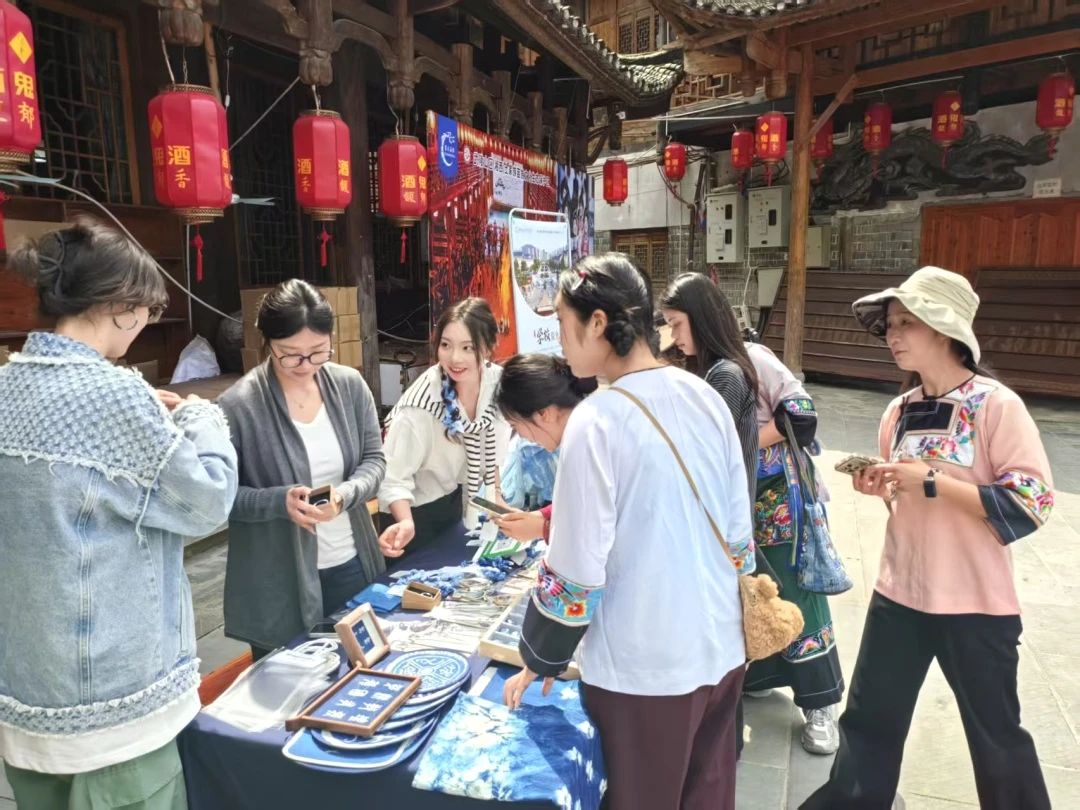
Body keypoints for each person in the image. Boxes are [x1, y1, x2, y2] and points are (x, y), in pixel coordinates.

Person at [0, 219, 238, 809]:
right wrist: (199, 418)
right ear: (120, 305)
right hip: (115, 701)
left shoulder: (5, 385)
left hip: (25, 687)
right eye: (149, 311)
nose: (146, 322)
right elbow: (207, 500)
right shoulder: (117, 395)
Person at [501, 253, 753, 810]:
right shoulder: (704, 396)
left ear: (598, 324)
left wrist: (540, 655)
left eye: (563, 323)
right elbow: (739, 531)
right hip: (722, 645)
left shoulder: (598, 419)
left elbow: (576, 568)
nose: (560, 341)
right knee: (708, 795)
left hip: (646, 663)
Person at [802, 267, 1053, 810]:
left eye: (906, 323)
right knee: (868, 725)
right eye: (890, 324)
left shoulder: (996, 405)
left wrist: (932, 481)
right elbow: (907, 497)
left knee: (997, 738)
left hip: (975, 604)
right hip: (899, 596)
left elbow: (1033, 501)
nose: (892, 335)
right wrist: (885, 487)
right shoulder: (898, 411)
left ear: (945, 329)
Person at [218, 281, 385, 660]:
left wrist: (344, 495)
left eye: (318, 352)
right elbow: (221, 497)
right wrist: (279, 502)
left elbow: (374, 461)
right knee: (288, 684)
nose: (306, 366)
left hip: (350, 563)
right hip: (278, 582)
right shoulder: (238, 406)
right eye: (291, 355)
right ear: (267, 343)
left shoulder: (349, 386)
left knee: (360, 672)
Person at [740, 336, 845, 755]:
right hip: (734, 495)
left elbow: (800, 413)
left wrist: (742, 441)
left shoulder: (751, 358)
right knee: (751, 588)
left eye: (676, 323)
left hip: (780, 491)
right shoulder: (686, 366)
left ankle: (820, 703)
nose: (672, 334)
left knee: (797, 588)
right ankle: (763, 674)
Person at [378, 297, 510, 558]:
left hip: (456, 501)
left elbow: (492, 457)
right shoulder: (420, 405)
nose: (455, 358)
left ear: (488, 347)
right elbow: (392, 476)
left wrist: (498, 503)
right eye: (446, 345)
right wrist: (405, 522)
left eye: (467, 347)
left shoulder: (497, 383)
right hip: (414, 513)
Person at [487, 354, 597, 543]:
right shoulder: (582, 432)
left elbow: (602, 524)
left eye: (515, 426)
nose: (521, 437)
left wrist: (543, 528)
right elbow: (580, 504)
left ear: (543, 414)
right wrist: (541, 516)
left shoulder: (592, 444)